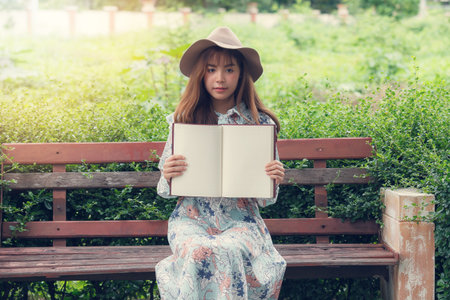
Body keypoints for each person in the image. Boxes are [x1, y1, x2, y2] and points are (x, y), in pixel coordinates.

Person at [156, 26, 286, 300]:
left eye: (229, 69)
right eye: (211, 69)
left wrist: (273, 179)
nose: (220, 78)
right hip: (191, 221)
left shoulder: (260, 124)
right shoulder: (183, 121)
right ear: (200, 74)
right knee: (198, 250)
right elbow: (166, 190)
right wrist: (168, 174)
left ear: (241, 75)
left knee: (228, 248)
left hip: (243, 222)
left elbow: (265, 201)